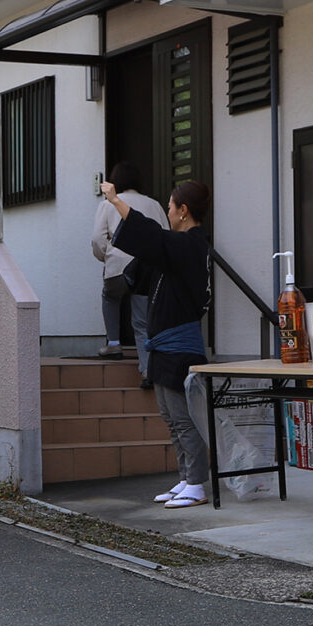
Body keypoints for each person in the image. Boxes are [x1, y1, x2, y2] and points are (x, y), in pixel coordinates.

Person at [100, 178, 212, 507]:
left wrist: (116, 201)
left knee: (182, 418)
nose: (167, 211)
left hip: (180, 346)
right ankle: (185, 477)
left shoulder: (191, 244)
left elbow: (150, 234)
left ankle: (196, 483)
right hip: (164, 345)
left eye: (170, 206)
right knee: (170, 416)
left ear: (183, 211)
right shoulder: (178, 247)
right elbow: (151, 251)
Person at [94, 164, 164, 365]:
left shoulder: (108, 204)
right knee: (141, 320)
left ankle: (114, 343)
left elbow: (97, 238)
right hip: (146, 268)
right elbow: (165, 235)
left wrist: (106, 257)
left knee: (109, 296)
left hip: (118, 268)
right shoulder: (154, 205)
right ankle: (146, 368)